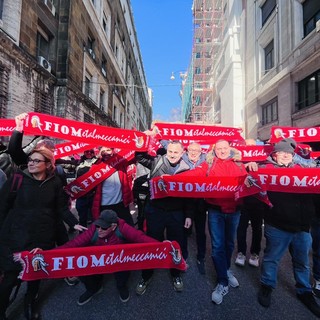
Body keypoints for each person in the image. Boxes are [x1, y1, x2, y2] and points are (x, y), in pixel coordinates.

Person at [0, 147, 85, 320]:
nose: (31, 163)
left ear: (47, 165)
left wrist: (74, 224)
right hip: (15, 237)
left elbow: (60, 208)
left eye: (36, 161)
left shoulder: (55, 183)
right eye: (30, 160)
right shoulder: (17, 180)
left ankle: (30, 304)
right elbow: (2, 208)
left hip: (42, 238)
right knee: (9, 278)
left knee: (35, 275)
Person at [257, 139, 320, 318]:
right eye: (282, 153)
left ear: (293, 155)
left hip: (302, 227)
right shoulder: (266, 171)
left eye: (288, 153)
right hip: (277, 225)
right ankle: (267, 286)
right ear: (275, 154)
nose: (285, 155)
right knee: (271, 259)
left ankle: (304, 291)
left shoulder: (304, 171)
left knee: (302, 262)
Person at [184, 139, 247, 304]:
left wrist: (254, 166)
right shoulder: (208, 163)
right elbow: (194, 174)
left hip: (234, 211)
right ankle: (222, 281)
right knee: (218, 246)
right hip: (215, 211)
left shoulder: (241, 164)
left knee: (229, 244)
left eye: (224, 148)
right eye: (219, 148)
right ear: (215, 150)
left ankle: (226, 270)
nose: (222, 151)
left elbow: (252, 181)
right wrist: (173, 178)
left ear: (230, 148)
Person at [52, 209, 157, 305]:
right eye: (98, 226)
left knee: (123, 271)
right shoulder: (93, 229)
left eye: (104, 227)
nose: (99, 230)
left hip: (119, 260)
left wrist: (162, 246)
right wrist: (48, 254)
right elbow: (73, 244)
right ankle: (93, 288)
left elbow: (142, 238)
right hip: (98, 260)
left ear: (114, 226)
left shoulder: (123, 228)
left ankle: (121, 286)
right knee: (82, 267)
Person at [135, 140, 193, 294]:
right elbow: (139, 156)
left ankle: (176, 274)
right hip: (156, 211)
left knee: (176, 245)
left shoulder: (188, 169)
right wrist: (143, 139)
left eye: (176, 152)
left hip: (176, 213)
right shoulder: (156, 162)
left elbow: (189, 195)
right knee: (152, 243)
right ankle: (146, 275)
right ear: (167, 151)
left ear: (182, 153)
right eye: (170, 152)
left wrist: (188, 215)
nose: (173, 155)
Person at [235, 139, 267, 268]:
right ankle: (241, 252)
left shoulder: (263, 161)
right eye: (247, 146)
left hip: (258, 201)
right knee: (241, 228)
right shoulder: (238, 162)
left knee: (257, 228)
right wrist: (244, 165)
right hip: (242, 202)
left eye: (252, 146)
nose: (250, 148)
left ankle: (255, 253)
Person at [91, 147, 134, 226]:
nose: (106, 153)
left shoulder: (121, 162)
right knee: (107, 230)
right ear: (100, 154)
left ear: (113, 151)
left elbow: (135, 156)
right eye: (103, 151)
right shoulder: (95, 167)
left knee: (127, 229)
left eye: (108, 150)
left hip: (121, 203)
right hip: (105, 205)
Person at [182, 142, 207, 274]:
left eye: (196, 150)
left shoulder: (207, 161)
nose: (193, 152)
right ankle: (183, 256)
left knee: (201, 232)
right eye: (191, 150)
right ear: (186, 151)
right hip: (184, 202)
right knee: (183, 231)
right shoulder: (181, 161)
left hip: (200, 203)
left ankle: (201, 256)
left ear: (201, 151)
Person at [75, 149, 97, 227]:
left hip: (93, 194)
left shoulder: (98, 162)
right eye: (87, 151)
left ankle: (95, 235)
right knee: (82, 218)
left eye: (91, 152)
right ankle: (83, 236)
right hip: (82, 194)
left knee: (95, 218)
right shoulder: (79, 162)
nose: (89, 153)